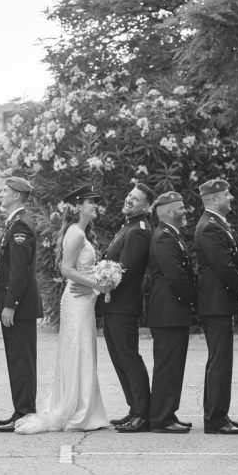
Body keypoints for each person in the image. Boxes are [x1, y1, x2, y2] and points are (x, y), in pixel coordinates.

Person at [15, 185, 110, 434]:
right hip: (77, 301)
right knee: (79, 350)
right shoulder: (76, 233)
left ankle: (84, 408)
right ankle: (78, 412)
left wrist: (97, 282)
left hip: (83, 299)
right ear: (78, 207)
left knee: (82, 350)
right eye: (90, 202)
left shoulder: (80, 232)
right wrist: (97, 284)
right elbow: (66, 269)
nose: (95, 206)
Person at [95, 183, 154, 434]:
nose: (129, 200)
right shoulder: (128, 226)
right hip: (113, 304)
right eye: (130, 195)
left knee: (129, 358)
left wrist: (103, 284)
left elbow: (126, 270)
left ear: (147, 206)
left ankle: (143, 414)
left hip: (123, 305)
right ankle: (134, 408)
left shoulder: (139, 230)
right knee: (119, 358)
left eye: (136, 199)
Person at [194, 179, 238, 435]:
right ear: (215, 199)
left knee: (221, 361)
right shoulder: (210, 226)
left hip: (219, 303)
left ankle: (219, 414)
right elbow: (224, 266)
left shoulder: (216, 223)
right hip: (216, 303)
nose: (231, 198)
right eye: (227, 194)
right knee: (220, 362)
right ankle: (215, 419)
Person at [0, 177, 44, 432]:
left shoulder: (20, 225)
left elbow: (19, 270)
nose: (1, 194)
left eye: (5, 191)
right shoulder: (15, 222)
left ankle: (25, 412)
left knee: (21, 360)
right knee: (16, 359)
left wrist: (10, 304)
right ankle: (20, 410)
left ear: (16, 195)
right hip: (19, 305)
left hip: (20, 307)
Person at [147, 191, 196, 434]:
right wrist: (195, 299)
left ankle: (168, 413)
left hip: (173, 312)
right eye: (181, 207)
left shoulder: (171, 235)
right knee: (168, 367)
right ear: (168, 211)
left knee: (173, 366)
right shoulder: (164, 238)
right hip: (167, 313)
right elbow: (176, 276)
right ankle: (161, 418)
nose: (185, 211)